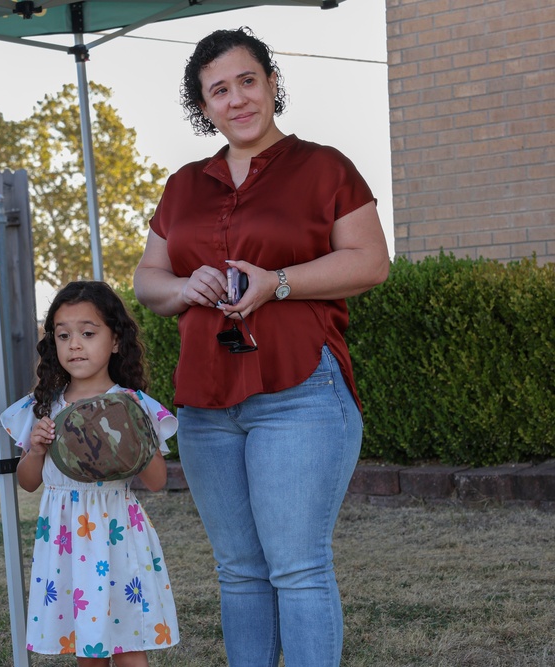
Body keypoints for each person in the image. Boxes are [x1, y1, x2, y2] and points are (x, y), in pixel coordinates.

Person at [133, 27, 391, 667]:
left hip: (299, 391)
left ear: (272, 83)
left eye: (247, 81)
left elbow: (372, 263)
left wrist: (278, 283)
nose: (237, 99)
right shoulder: (183, 184)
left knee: (297, 567)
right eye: (218, 90)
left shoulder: (325, 166)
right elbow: (148, 283)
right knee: (239, 571)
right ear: (204, 106)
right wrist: (185, 284)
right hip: (204, 402)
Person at [0, 281, 180, 667]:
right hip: (67, 539)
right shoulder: (43, 407)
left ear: (115, 340)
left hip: (118, 534)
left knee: (130, 644)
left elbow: (157, 481)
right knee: (89, 645)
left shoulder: (133, 406)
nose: (75, 344)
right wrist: (36, 448)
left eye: (87, 333)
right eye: (63, 335)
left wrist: (136, 437)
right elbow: (28, 482)